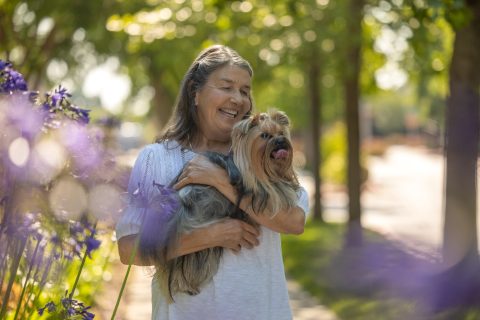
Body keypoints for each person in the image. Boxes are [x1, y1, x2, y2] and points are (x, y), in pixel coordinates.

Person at [116, 44, 309, 320]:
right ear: (195, 94)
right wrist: (210, 235)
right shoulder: (156, 158)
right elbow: (128, 250)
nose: (238, 99)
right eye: (226, 87)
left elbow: (294, 222)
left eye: (245, 91)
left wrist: (221, 181)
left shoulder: (261, 155)